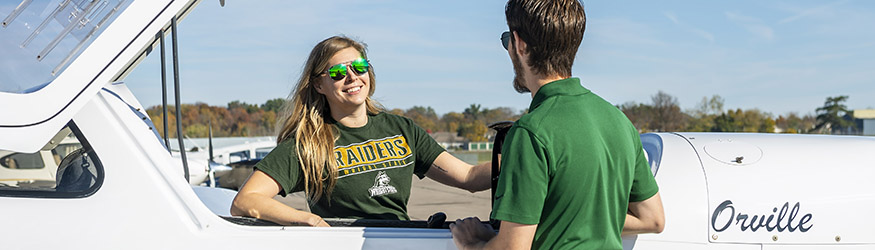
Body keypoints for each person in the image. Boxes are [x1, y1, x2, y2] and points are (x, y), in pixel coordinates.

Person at [450, 0, 665, 249]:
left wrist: (472, 244)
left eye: (507, 39)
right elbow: (653, 219)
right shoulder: (619, 121)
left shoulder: (531, 132)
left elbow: (512, 247)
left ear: (519, 44)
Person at [230, 36, 491, 226]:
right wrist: (308, 220)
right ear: (319, 85)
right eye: (337, 72)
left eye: (359, 67)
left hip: (403, 242)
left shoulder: (401, 129)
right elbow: (245, 200)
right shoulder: (308, 143)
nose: (352, 77)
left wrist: (522, 158)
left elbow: (468, 177)